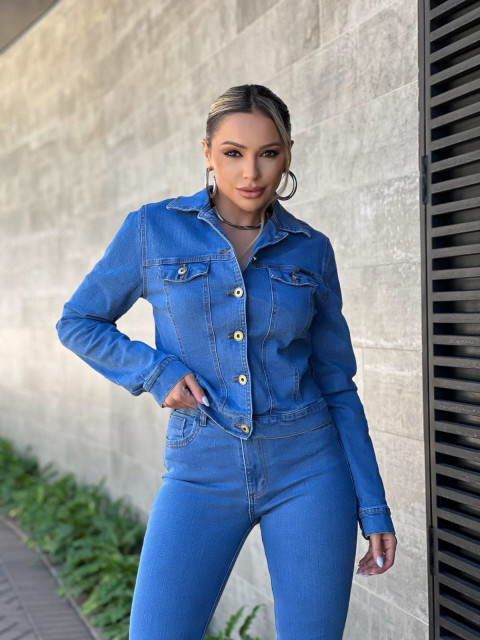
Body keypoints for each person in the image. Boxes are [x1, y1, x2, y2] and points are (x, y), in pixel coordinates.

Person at [56, 84, 397, 640]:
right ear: (208, 153)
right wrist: (155, 372)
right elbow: (79, 321)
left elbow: (338, 384)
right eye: (234, 153)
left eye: (269, 153)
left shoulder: (311, 249)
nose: (251, 172)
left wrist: (374, 507)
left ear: (288, 154)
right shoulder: (153, 229)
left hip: (310, 465)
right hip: (201, 463)